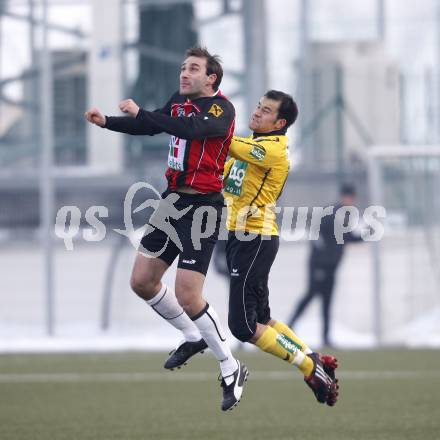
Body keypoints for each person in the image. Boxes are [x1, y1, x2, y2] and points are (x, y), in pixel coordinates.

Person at [85, 46, 248, 412]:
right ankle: (193, 337)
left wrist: (144, 113)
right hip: (172, 201)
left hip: (203, 207)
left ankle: (230, 365)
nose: (184, 73)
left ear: (211, 78)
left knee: (189, 294)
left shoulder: (222, 109)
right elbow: (153, 123)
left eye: (193, 68)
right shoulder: (179, 100)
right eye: (183, 67)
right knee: (142, 281)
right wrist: (108, 121)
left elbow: (188, 129)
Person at [168, 90, 339, 406]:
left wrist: (206, 119)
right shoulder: (252, 146)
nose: (258, 112)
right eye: (258, 106)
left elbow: (227, 143)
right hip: (239, 238)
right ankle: (312, 357)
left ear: (280, 122)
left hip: (255, 240)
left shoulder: (272, 150)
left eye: (267, 110)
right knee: (262, 318)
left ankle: (309, 367)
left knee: (243, 326)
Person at [287, 183, 363, 347]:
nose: (351, 200)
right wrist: (320, 260)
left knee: (327, 300)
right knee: (310, 295)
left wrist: (363, 236)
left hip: (332, 267)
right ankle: (289, 327)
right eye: (349, 197)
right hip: (319, 265)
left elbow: (347, 237)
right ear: (343, 197)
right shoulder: (331, 213)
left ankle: (326, 337)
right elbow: (315, 234)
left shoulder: (345, 215)